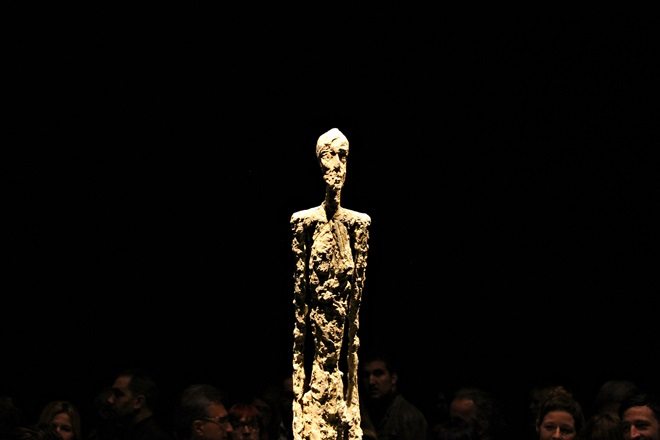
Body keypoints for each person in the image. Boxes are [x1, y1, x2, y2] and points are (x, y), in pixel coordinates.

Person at [290, 128, 371, 440]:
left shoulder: (358, 223)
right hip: (316, 343)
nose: (336, 164)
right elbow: (299, 317)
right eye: (328, 155)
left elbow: (355, 320)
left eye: (342, 156)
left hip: (341, 351)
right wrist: (299, 406)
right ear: (319, 161)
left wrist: (352, 404)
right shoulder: (303, 221)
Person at [360, 352, 427, 440]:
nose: (371, 381)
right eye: (366, 375)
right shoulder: (362, 413)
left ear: (393, 378)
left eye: (378, 374)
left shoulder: (409, 418)